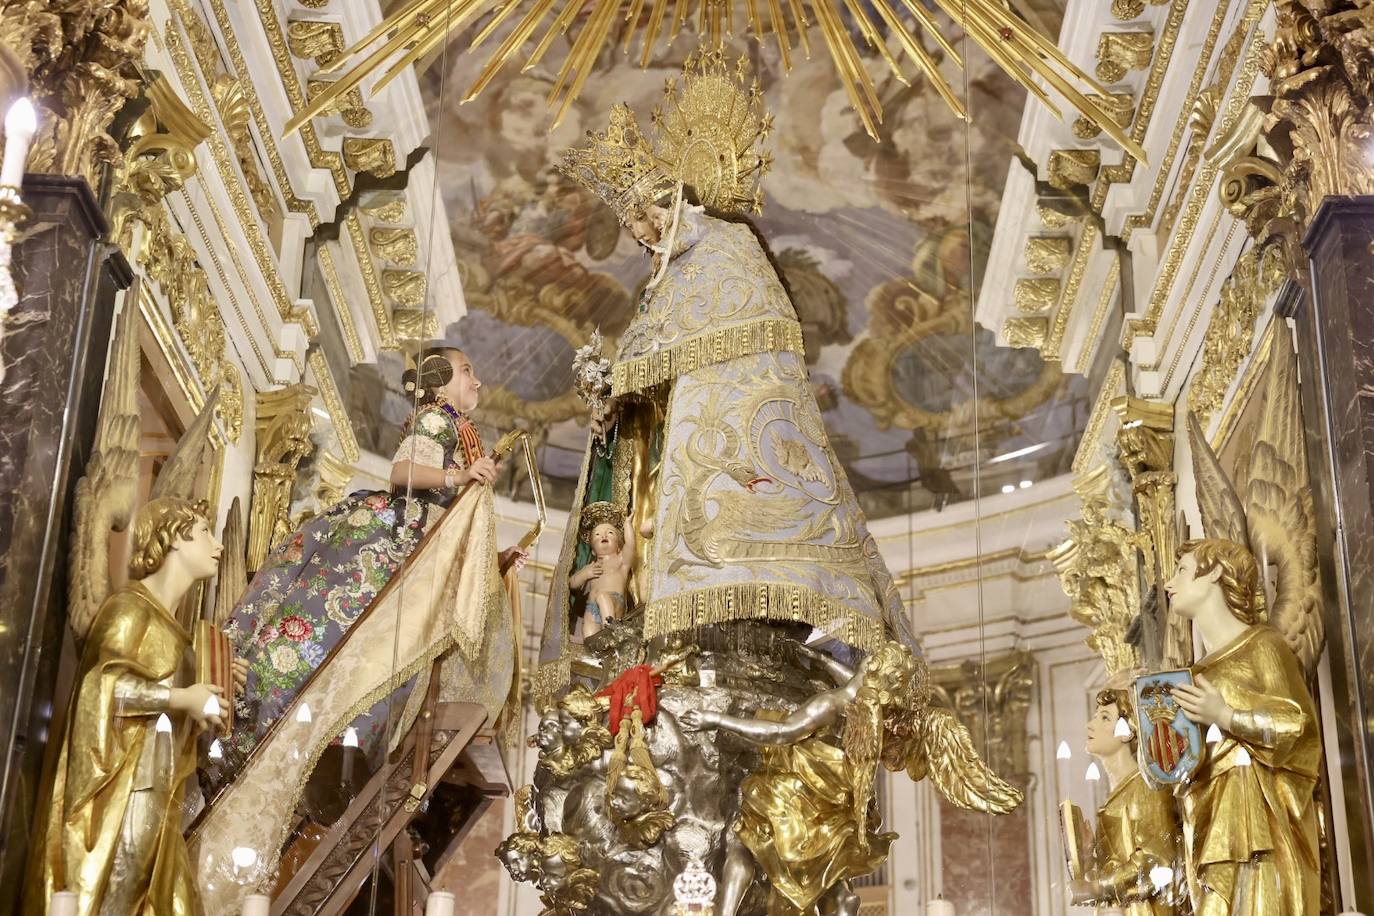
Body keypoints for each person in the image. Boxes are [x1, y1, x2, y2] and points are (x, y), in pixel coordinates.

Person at [215, 348, 526, 778]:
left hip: (427, 543)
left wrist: (497, 560)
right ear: (438, 380)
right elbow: (402, 473)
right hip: (401, 541)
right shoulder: (438, 418)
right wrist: (458, 476)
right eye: (467, 371)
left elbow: (453, 523)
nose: (476, 382)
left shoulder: (458, 430)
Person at [25, 499, 224, 916]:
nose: (217, 545)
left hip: (159, 785)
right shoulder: (129, 607)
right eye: (205, 531)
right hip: (125, 787)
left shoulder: (178, 632)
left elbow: (176, 719)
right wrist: (182, 698)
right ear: (174, 539)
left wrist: (206, 699)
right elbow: (101, 686)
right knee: (118, 897)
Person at [1164, 539, 1321, 916]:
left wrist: (1227, 716)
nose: (1170, 583)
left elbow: (1298, 726)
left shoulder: (1262, 646)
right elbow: (1185, 768)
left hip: (1261, 831)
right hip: (1209, 833)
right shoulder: (1194, 675)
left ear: (1215, 571)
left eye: (1182, 570)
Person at [1067, 684, 1180, 915]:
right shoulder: (1116, 797)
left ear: (1127, 732)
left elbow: (1157, 859)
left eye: (1105, 718)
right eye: (1096, 717)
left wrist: (1098, 887)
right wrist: (1089, 862)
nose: (1090, 725)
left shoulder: (1146, 786)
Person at [567, 502, 633, 638]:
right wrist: (585, 574)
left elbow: (631, 545)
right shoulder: (591, 566)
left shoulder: (621, 561)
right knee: (589, 636)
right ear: (592, 549)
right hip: (592, 606)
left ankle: (612, 629)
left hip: (614, 603)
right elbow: (571, 583)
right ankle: (594, 644)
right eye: (597, 535)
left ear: (619, 544)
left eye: (610, 533)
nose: (604, 536)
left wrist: (627, 525)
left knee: (603, 596)